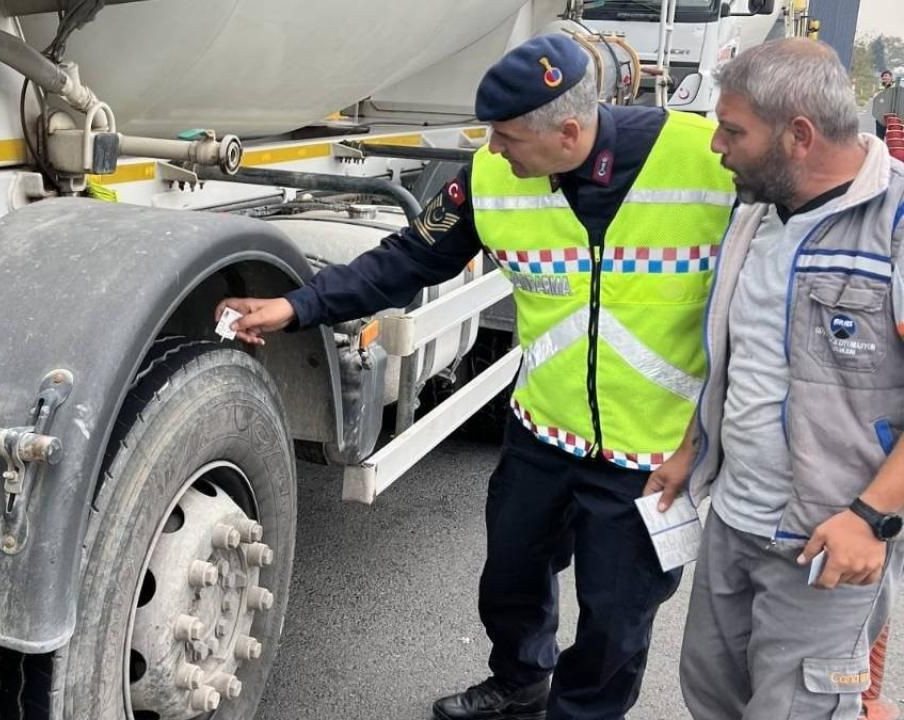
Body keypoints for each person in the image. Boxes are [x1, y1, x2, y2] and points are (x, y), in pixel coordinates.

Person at [216, 33, 735, 720]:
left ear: (569, 132)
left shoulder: (705, 160)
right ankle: (521, 682)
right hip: (542, 432)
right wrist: (296, 305)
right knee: (511, 583)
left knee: (616, 623)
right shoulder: (490, 177)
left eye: (507, 136)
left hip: (653, 455)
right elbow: (406, 260)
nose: (491, 150)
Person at [643, 38, 904, 720]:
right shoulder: (756, 217)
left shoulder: (897, 227)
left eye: (732, 131)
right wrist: (691, 452)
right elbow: (745, 354)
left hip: (827, 545)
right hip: (734, 523)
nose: (717, 147)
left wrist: (872, 519)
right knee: (714, 699)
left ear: (798, 135)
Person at [877, 70, 897, 139]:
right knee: (879, 137)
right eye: (883, 77)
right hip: (881, 117)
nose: (885, 78)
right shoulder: (880, 88)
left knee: (893, 137)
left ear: (891, 77)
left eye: (886, 76)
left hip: (893, 116)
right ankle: (881, 149)